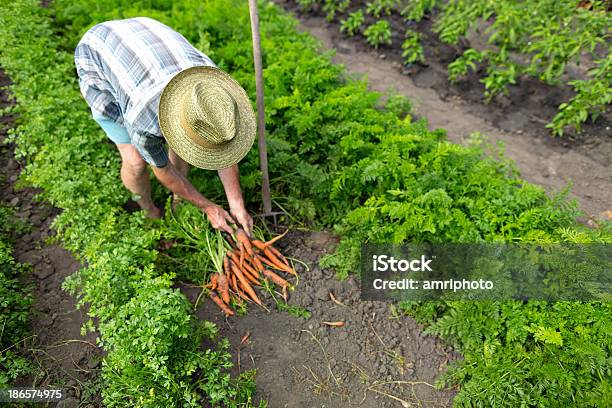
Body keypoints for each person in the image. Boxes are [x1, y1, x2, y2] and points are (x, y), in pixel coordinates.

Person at [74, 16, 255, 236]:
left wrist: (237, 205)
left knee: (193, 140)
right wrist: (208, 206)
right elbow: (163, 170)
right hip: (98, 54)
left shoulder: (215, 93)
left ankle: (180, 198)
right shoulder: (143, 119)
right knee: (136, 161)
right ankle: (149, 212)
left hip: (150, 37)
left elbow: (224, 151)